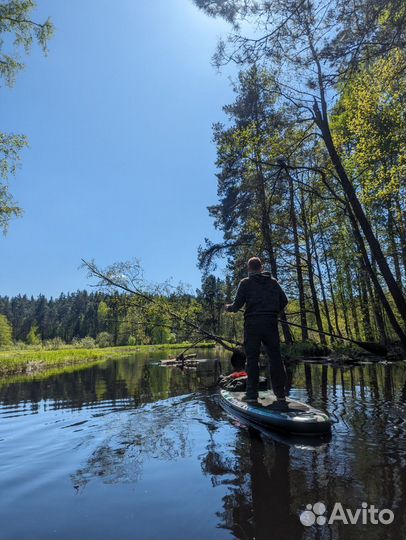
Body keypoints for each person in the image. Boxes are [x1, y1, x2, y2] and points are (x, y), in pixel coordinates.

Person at [225, 257, 288, 408]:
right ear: (261, 268)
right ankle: (280, 396)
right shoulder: (273, 282)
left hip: (252, 325)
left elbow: (237, 305)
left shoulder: (245, 283)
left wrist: (228, 307)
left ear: (249, 269)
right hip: (270, 324)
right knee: (275, 358)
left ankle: (252, 396)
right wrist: (274, 313)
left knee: (252, 359)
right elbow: (284, 300)